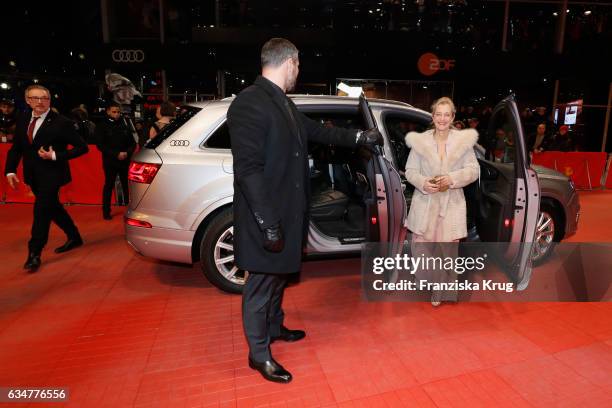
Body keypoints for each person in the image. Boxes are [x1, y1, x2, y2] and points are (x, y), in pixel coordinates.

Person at [227, 37, 382, 384]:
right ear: (289, 62)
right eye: (298, 64)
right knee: (261, 285)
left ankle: (275, 326)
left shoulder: (281, 101)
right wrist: (268, 224)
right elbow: (248, 170)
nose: (299, 70)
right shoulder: (250, 102)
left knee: (279, 276)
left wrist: (359, 138)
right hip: (265, 215)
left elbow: (316, 131)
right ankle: (259, 354)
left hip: (287, 212)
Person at [404, 97, 479, 306]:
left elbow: (473, 170)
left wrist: (453, 179)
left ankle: (440, 291)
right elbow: (410, 171)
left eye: (447, 114)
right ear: (433, 116)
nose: (442, 119)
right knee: (422, 248)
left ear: (453, 117)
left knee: (446, 250)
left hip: (451, 203)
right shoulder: (421, 141)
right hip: (426, 201)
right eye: (438, 114)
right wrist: (423, 182)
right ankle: (427, 280)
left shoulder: (463, 143)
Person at [4, 85, 88, 272]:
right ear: (27, 100)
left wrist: (55, 155)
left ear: (50, 100)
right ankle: (74, 236)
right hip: (32, 175)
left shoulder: (62, 122)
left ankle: (34, 252)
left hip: (53, 174)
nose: (40, 102)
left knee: (41, 210)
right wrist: (10, 170)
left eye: (44, 98)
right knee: (53, 207)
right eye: (35, 98)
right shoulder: (24, 118)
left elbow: (82, 147)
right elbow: (17, 148)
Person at [95, 101, 136, 220]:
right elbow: (100, 145)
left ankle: (130, 210)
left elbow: (132, 143)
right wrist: (116, 154)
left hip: (124, 160)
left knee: (126, 186)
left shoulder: (124, 125)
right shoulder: (101, 126)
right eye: (114, 112)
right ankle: (106, 211)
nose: (117, 114)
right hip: (110, 161)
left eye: (118, 112)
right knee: (108, 185)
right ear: (108, 111)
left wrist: (126, 153)